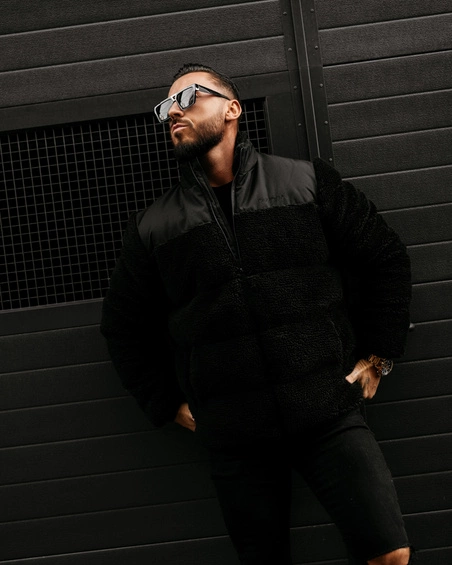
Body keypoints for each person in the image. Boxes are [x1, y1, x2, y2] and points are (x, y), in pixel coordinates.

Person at [100, 63, 414, 565]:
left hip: (326, 413)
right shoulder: (155, 226)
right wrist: (166, 402)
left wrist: (379, 355)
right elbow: (122, 327)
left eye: (189, 97)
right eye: (166, 107)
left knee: (390, 555)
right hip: (236, 436)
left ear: (232, 109)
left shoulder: (305, 182)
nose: (173, 112)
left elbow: (385, 257)